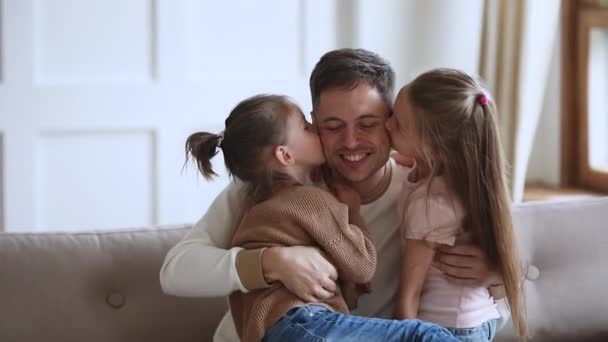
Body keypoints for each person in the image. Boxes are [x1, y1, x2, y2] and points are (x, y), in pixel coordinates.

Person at [160, 49, 509, 342]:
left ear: (392, 122)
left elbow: (485, 316)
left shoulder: (425, 193)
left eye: (368, 124)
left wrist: (495, 277)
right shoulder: (266, 188)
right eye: (331, 126)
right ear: (312, 124)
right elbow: (175, 271)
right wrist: (272, 262)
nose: (351, 142)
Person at [183, 93, 458, 341]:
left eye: (367, 123)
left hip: (271, 331)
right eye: (309, 126)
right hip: (303, 323)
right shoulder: (310, 200)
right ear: (285, 154)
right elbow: (362, 266)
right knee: (424, 336)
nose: (315, 131)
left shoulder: (258, 207)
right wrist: (352, 210)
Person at [387, 68, 526, 342]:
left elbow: (408, 297)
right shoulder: (442, 171)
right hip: (479, 318)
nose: (386, 124)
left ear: (433, 148)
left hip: (449, 328)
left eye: (399, 125)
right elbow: (405, 159)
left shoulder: (431, 204)